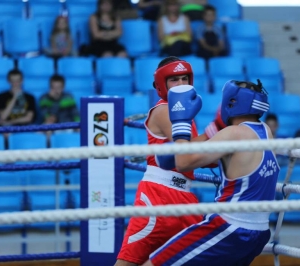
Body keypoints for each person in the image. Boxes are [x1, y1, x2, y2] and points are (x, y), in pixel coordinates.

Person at [143, 79, 279, 266]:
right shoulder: (266, 131)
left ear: (231, 102)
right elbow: (205, 157)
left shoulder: (234, 134)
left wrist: (180, 123)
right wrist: (210, 133)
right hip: (259, 232)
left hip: (229, 228)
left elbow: (183, 163)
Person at [115, 56, 214, 266]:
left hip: (183, 197)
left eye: (184, 79)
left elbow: (196, 155)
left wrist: (217, 149)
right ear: (161, 85)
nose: (180, 85)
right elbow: (187, 154)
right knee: (129, 262)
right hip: (157, 196)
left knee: (197, 258)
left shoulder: (185, 115)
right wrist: (217, 132)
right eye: (174, 80)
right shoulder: (163, 111)